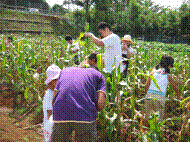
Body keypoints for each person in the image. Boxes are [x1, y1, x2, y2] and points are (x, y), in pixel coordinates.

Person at [51, 67, 106, 142]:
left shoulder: (64, 71)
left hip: (60, 114)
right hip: (84, 116)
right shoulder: (99, 76)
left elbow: (53, 100)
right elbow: (100, 105)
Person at [144, 55, 182, 127]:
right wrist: (178, 96)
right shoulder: (168, 76)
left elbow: (146, 85)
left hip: (149, 96)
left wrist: (146, 94)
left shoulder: (152, 73)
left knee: (147, 116)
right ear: (169, 66)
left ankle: (144, 132)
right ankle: (156, 135)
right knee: (159, 119)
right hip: (160, 98)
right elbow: (175, 87)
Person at [43, 64, 61, 142]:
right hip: (52, 129)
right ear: (52, 81)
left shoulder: (54, 92)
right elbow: (49, 115)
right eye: (58, 79)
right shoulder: (49, 95)